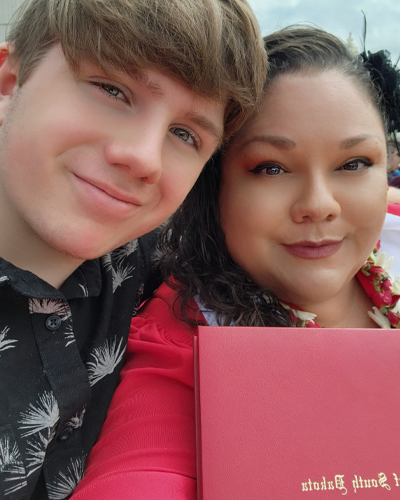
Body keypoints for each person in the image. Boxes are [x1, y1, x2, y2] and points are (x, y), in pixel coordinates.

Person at [71, 26, 400, 499]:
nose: (320, 204)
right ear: (215, 188)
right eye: (271, 167)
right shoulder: (185, 336)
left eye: (352, 164)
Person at [0, 0, 267, 498]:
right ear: (10, 82)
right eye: (111, 90)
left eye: (184, 134)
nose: (143, 157)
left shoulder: (160, 265)